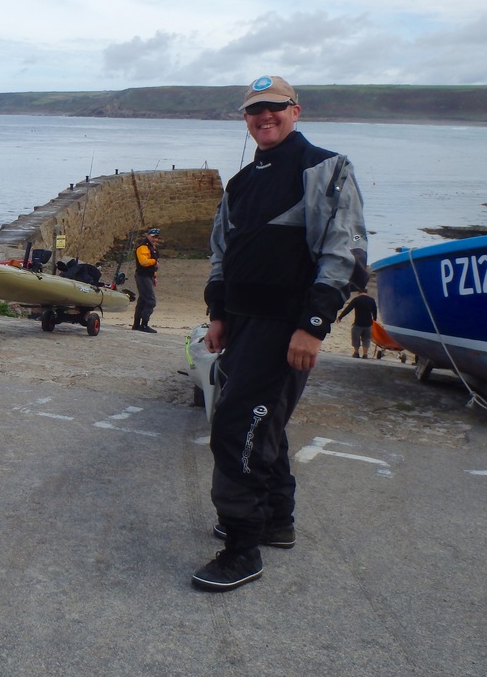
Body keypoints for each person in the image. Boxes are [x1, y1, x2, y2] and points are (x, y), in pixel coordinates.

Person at [192, 76, 368, 592]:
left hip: (286, 327)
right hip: (242, 324)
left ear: (296, 111)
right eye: (254, 110)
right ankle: (274, 520)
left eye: (274, 108)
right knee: (261, 421)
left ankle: (242, 548)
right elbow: (223, 250)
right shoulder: (242, 182)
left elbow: (346, 252)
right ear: (245, 119)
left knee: (234, 427)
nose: (263, 117)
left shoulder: (326, 168)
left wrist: (313, 326)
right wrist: (218, 314)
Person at [132, 228, 161, 333]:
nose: (155, 239)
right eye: (153, 237)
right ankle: (144, 325)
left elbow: (152, 266)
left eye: (156, 237)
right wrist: (154, 261)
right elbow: (143, 262)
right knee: (151, 301)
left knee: (143, 300)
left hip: (148, 276)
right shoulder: (143, 247)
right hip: (142, 276)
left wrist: (154, 276)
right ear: (148, 236)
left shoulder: (152, 248)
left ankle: (136, 325)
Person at [338, 288, 378, 358]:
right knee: (366, 339)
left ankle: (356, 353)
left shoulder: (356, 300)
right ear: (366, 292)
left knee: (355, 338)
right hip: (368, 324)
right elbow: (374, 311)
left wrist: (340, 317)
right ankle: (365, 354)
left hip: (358, 323)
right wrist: (374, 320)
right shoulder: (371, 300)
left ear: (359, 292)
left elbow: (348, 309)